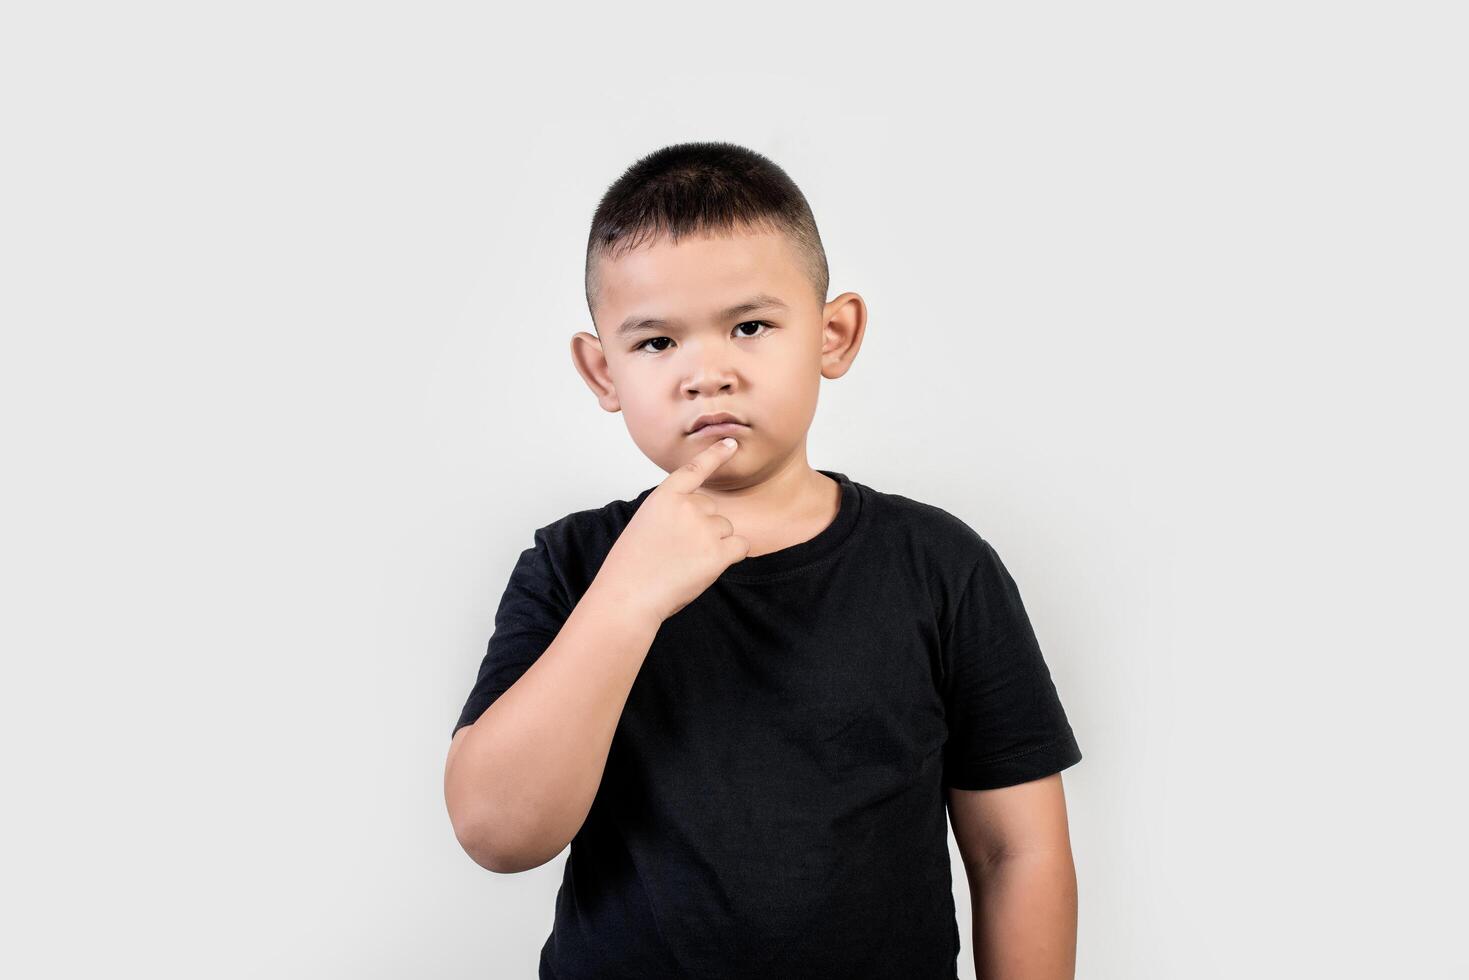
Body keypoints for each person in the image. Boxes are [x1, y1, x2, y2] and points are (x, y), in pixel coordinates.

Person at [444, 141, 1084, 980]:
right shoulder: (571, 565)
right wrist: (625, 602)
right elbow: (497, 833)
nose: (706, 374)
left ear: (833, 334)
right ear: (602, 371)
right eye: (655, 343)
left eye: (749, 326)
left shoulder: (939, 567)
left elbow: (1015, 854)